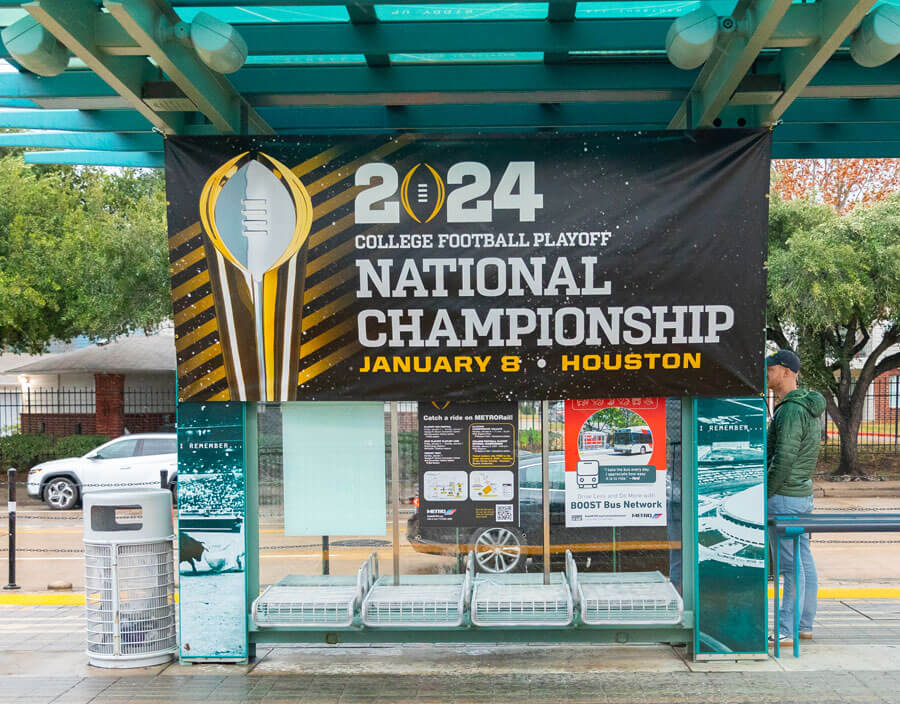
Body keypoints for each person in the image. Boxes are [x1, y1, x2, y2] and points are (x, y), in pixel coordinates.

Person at [766, 349, 826, 646]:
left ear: (786, 371)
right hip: (801, 495)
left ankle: (787, 631)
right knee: (804, 560)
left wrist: (765, 491)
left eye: (770, 369)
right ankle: (804, 625)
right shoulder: (807, 406)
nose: (766, 374)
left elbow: (783, 458)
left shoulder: (789, 410)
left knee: (790, 567)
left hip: (785, 496)